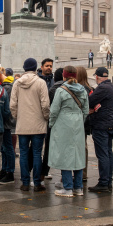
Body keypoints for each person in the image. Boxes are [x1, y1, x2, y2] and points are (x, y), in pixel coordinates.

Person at [10, 58, 51, 192]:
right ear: (35, 68)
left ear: (24, 68)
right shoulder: (41, 83)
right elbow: (45, 104)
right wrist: (45, 117)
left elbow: (12, 105)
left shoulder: (17, 83)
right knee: (37, 153)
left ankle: (25, 182)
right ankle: (37, 182)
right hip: (38, 124)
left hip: (23, 124)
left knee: (23, 153)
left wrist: (18, 116)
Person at [49, 66, 89, 197]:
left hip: (63, 123)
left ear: (64, 76)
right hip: (78, 123)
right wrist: (79, 120)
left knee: (64, 154)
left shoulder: (61, 90)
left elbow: (54, 110)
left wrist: (51, 123)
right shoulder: (82, 90)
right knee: (78, 154)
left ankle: (67, 187)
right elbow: (86, 110)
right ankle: (78, 187)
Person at [87, 67, 113, 193]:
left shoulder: (102, 88)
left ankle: (104, 182)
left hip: (101, 125)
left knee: (103, 154)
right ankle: (108, 181)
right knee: (108, 153)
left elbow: (89, 101)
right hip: (109, 123)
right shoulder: (110, 87)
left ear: (97, 77)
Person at [0, 68, 17, 184]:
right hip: (6, 121)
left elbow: (7, 107)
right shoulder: (6, 86)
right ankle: (5, 170)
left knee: (7, 147)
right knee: (4, 147)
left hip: (6, 122)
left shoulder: (7, 87)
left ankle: (9, 172)